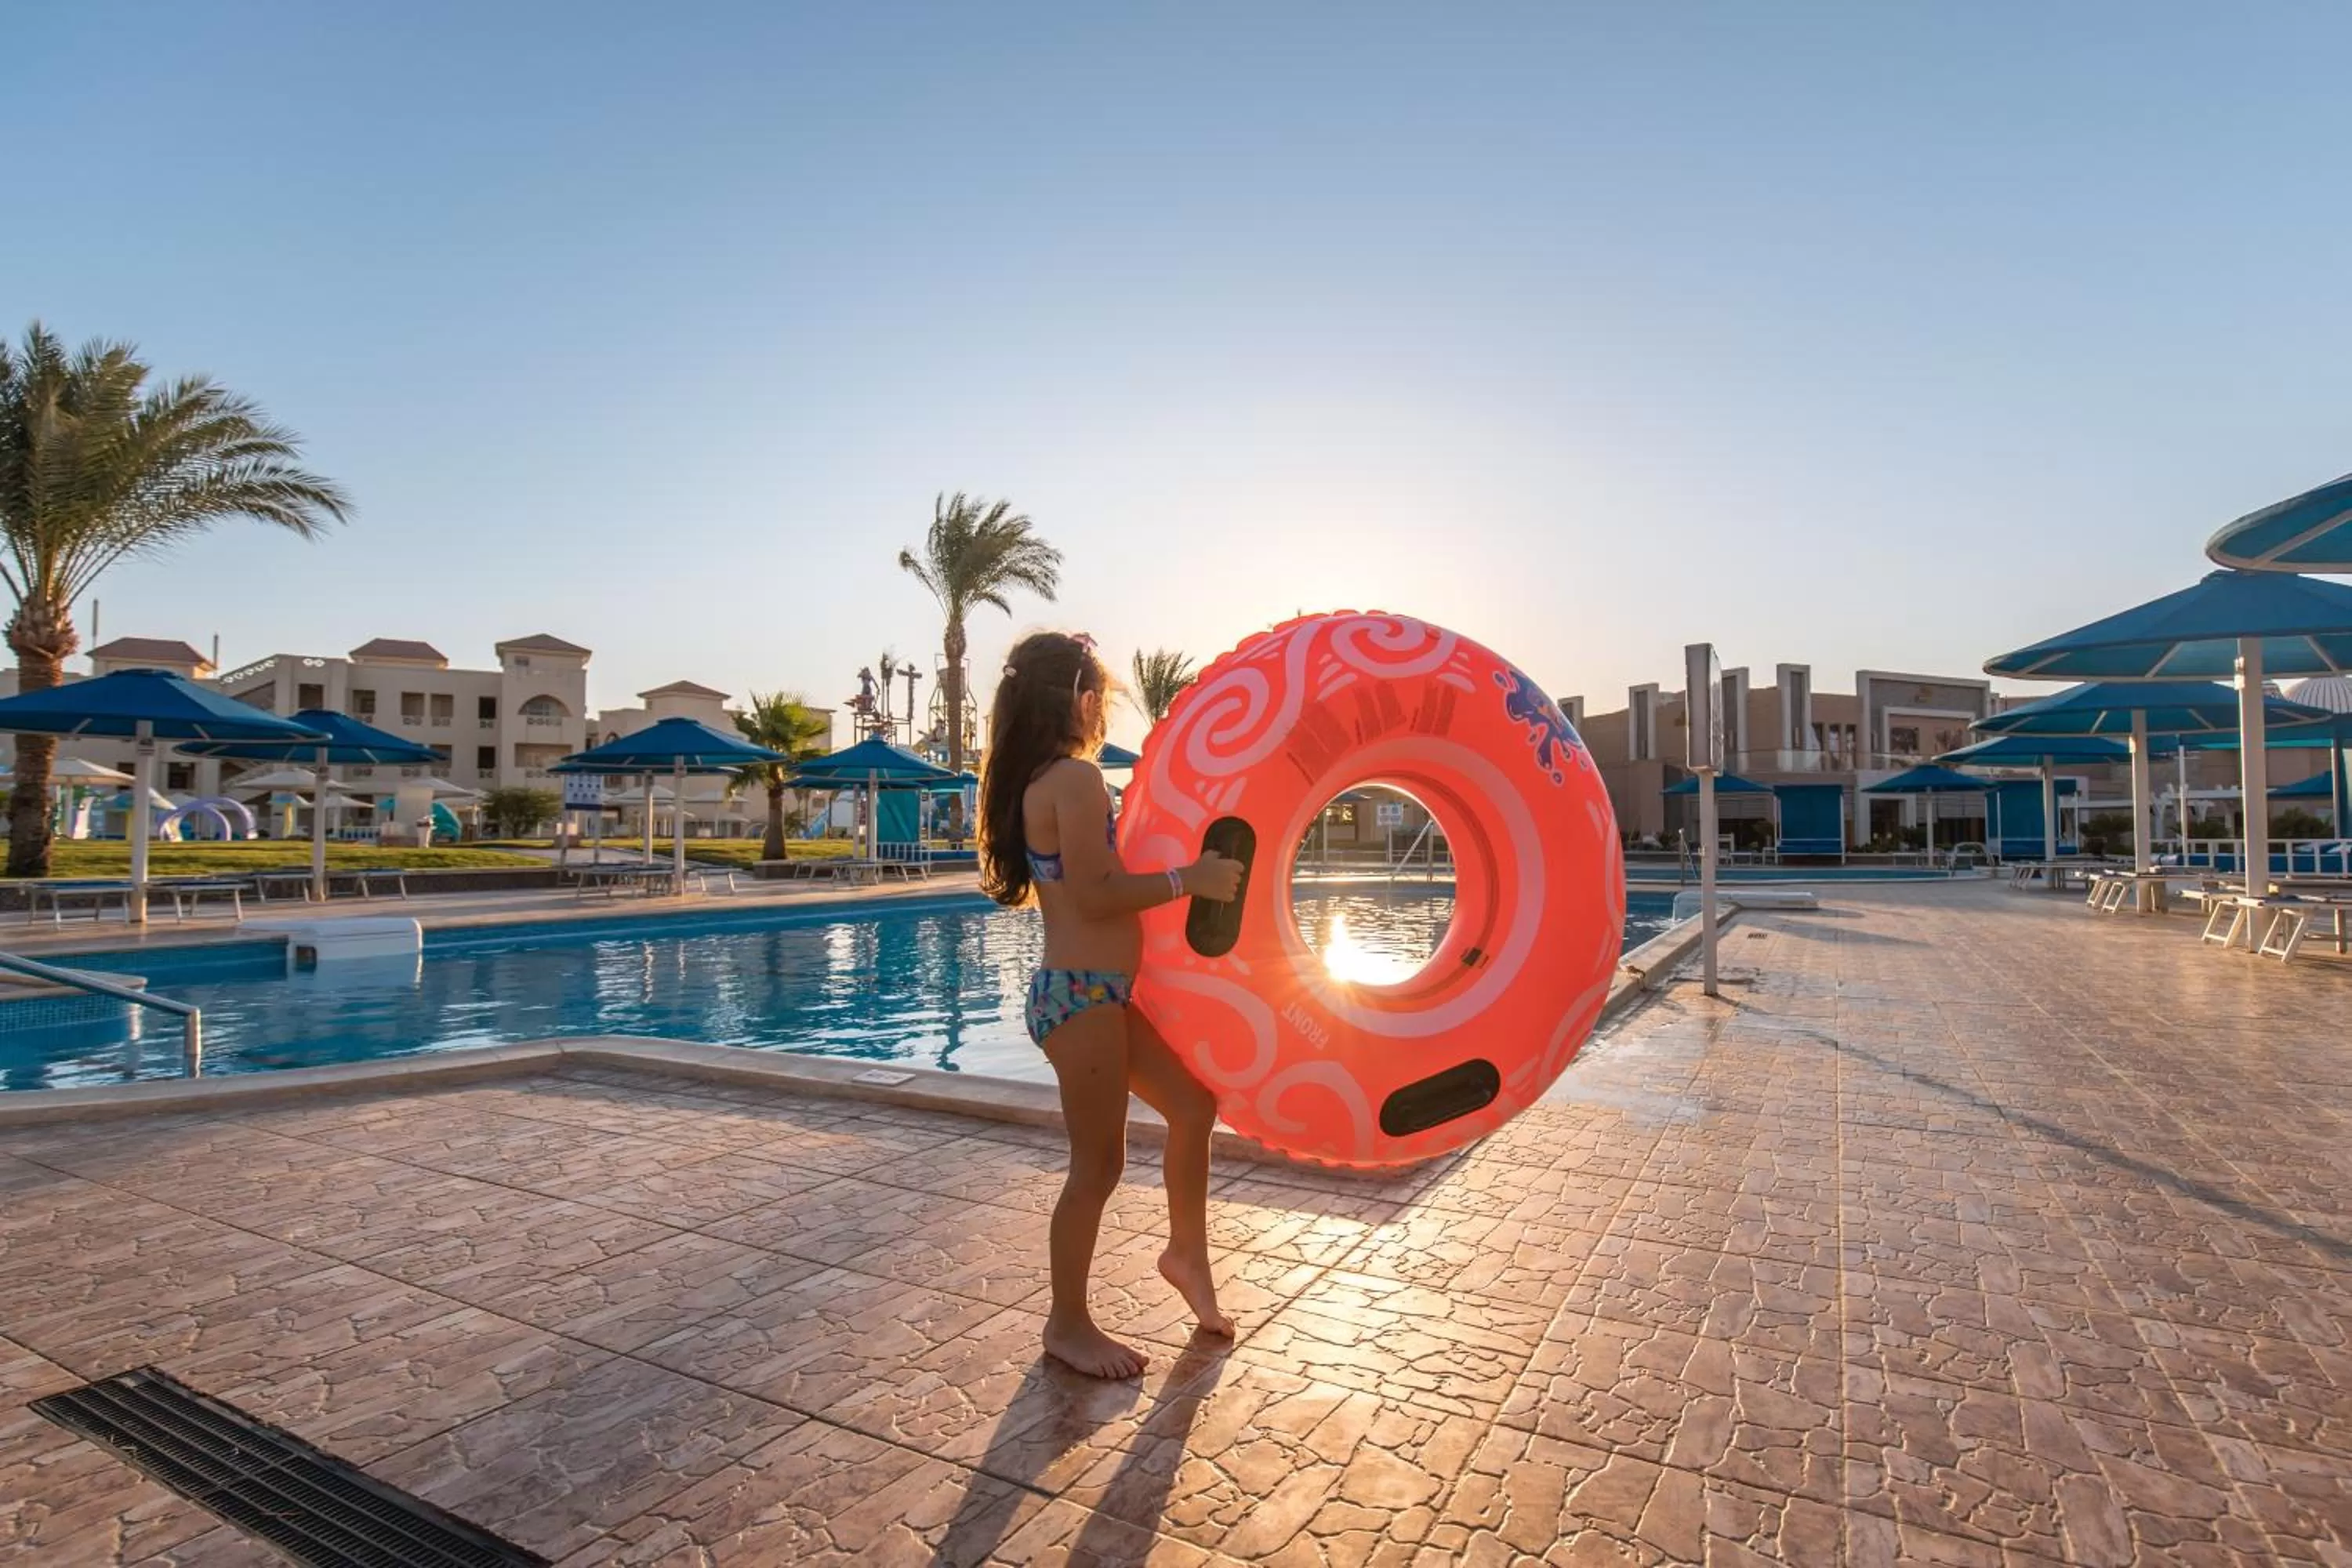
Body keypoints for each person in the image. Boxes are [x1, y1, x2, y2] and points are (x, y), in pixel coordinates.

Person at [978, 630, 1245, 1378]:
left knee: (1192, 1107)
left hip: (1094, 995)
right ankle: (1066, 1324)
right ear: (1080, 699)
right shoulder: (1073, 778)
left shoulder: (1044, 778)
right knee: (1095, 1167)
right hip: (1081, 998)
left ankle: (1185, 1255)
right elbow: (1095, 898)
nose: (1104, 712)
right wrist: (1188, 880)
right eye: (1102, 696)